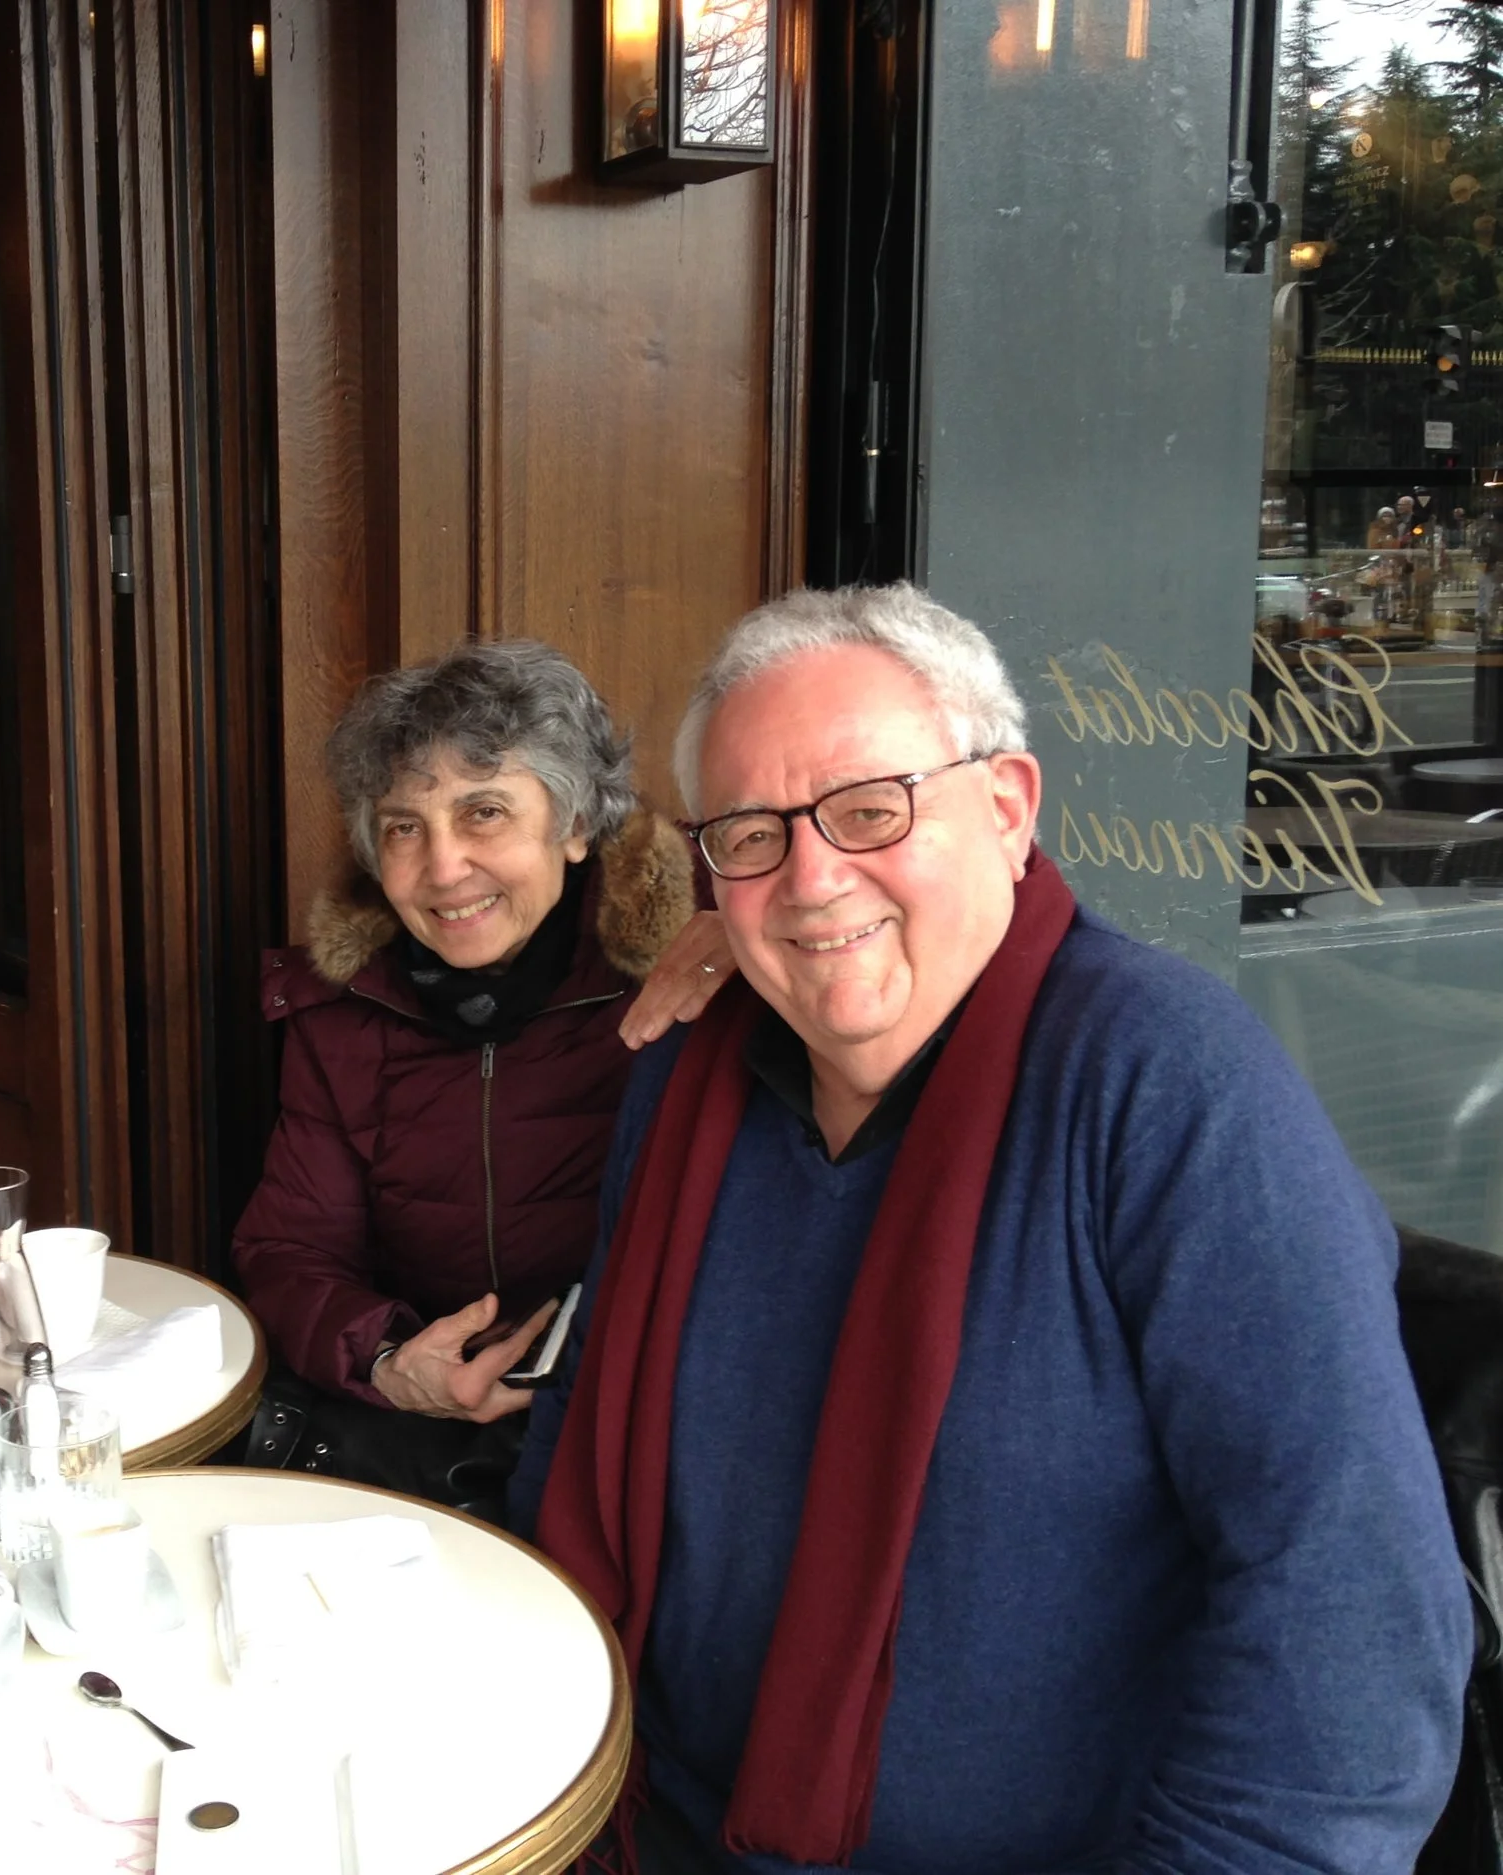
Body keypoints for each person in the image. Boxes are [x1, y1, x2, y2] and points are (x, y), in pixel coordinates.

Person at [512, 584, 1469, 1872]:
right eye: (749, 834)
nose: (811, 879)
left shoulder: (1169, 1087)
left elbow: (1351, 1613)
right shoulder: (685, 1076)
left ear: (1008, 808)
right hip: (639, 1815)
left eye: (871, 810)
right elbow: (577, 1421)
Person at [231, 640, 727, 1509]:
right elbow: (291, 1251)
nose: (443, 868)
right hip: (423, 1458)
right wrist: (390, 1359)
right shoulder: (344, 1008)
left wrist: (756, 946)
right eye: (404, 826)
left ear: (576, 826)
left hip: (645, 1442)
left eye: (484, 811)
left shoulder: (691, 968)